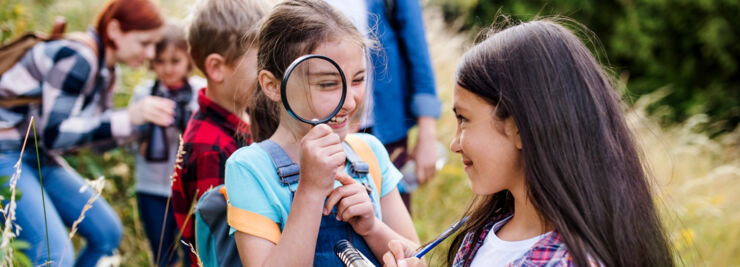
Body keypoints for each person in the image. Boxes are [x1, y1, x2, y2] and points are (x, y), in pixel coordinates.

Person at [383, 19, 674, 267]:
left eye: (464, 119)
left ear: (521, 128)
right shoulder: (482, 231)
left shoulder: (568, 261)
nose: (455, 144)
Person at [225, 0, 419, 265]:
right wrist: (310, 191)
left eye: (358, 80)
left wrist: (372, 227)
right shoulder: (250, 168)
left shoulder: (369, 152)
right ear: (271, 86)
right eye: (328, 84)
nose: (350, 102)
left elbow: (416, 256)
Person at [0, 0, 168, 266]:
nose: (150, 54)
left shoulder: (107, 72)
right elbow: (54, 134)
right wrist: (126, 117)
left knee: (107, 234)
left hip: (37, 155)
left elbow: (91, 140)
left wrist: (140, 127)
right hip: (6, 152)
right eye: (144, 43)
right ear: (114, 30)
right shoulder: (80, 56)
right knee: (54, 254)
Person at [169, 0, 269, 265]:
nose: (270, 74)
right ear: (216, 68)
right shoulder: (209, 148)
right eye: (261, 62)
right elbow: (214, 243)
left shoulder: (245, 120)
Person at [129, 23, 204, 267]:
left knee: (192, 252)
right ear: (152, 61)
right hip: (151, 187)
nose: (168, 69)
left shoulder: (199, 93)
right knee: (162, 253)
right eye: (160, 61)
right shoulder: (144, 94)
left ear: (189, 60)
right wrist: (144, 140)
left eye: (175, 61)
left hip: (189, 188)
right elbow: (127, 139)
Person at [363, 0, 442, 212]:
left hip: (386, 132)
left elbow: (418, 50)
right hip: (328, 127)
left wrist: (427, 135)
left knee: (394, 223)